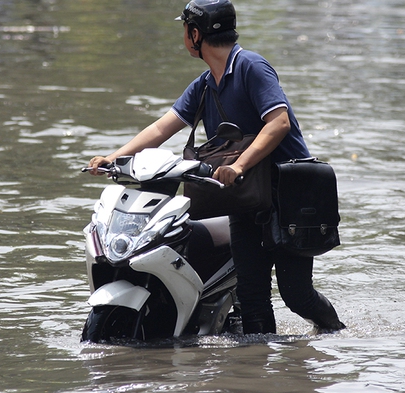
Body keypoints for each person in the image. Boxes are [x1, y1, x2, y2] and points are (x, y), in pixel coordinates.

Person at [87, 0, 345, 335]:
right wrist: (113, 158)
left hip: (286, 198)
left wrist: (238, 165)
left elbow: (278, 123)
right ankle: (257, 372)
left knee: (296, 295)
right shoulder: (205, 84)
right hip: (242, 198)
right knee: (252, 296)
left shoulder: (251, 67)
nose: (183, 35)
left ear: (196, 33)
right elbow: (161, 129)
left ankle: (335, 335)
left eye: (185, 28)